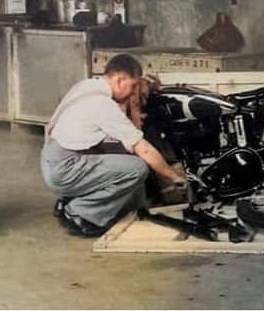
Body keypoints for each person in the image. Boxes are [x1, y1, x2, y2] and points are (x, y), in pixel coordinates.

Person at [40, 54, 188, 237]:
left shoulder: (87, 86)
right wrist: (174, 177)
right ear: (119, 80)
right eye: (133, 86)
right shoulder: (103, 105)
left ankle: (74, 200)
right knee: (136, 168)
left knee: (124, 157)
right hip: (65, 167)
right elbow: (144, 149)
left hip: (52, 157)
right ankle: (79, 214)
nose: (134, 92)